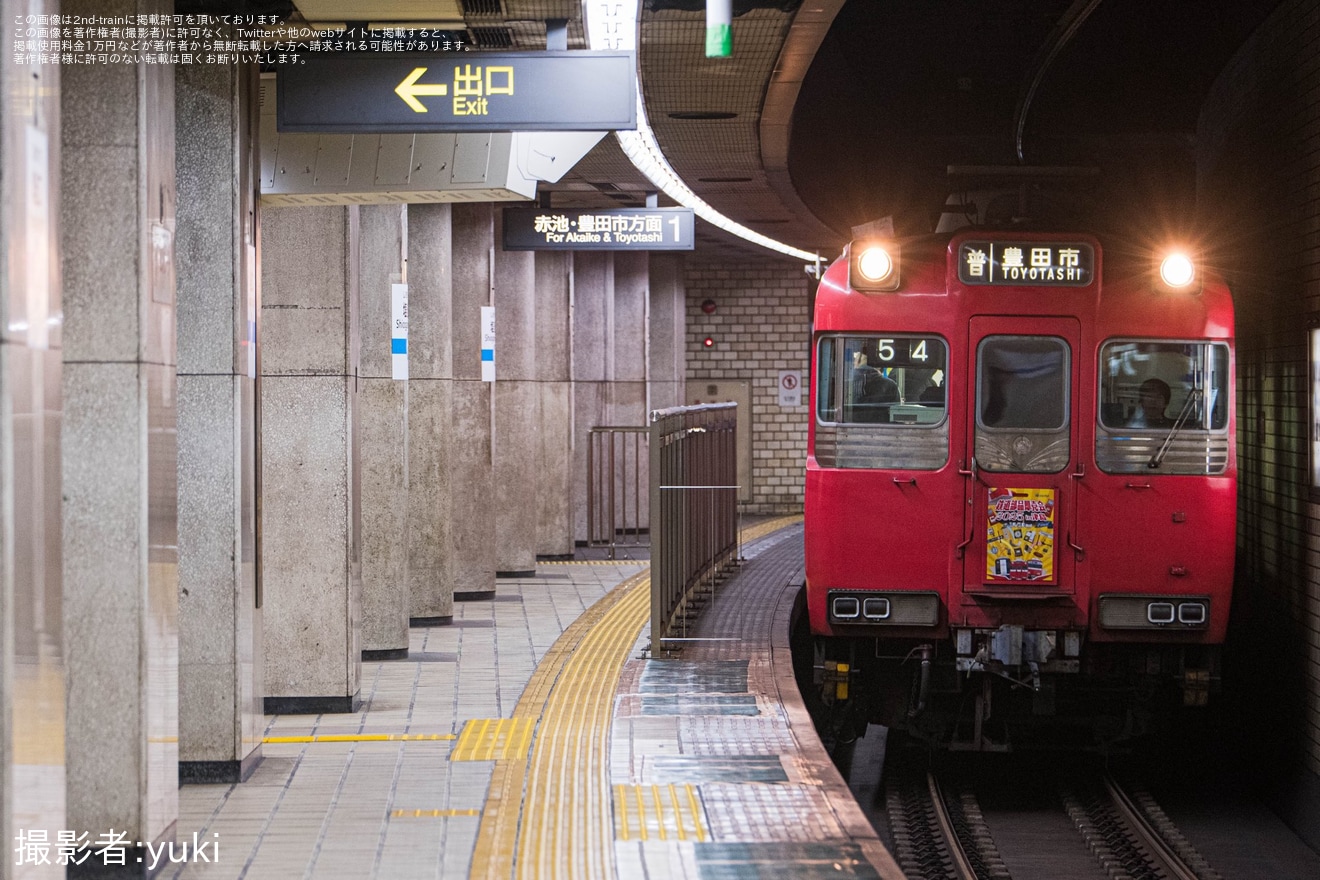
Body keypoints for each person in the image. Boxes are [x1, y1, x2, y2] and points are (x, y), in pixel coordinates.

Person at [850, 344, 900, 422]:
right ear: (879, 366)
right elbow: (897, 415)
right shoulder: (890, 385)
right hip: (882, 429)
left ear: (857, 362)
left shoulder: (845, 383)